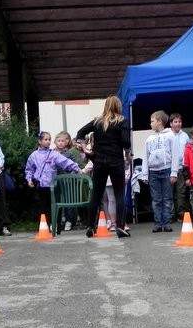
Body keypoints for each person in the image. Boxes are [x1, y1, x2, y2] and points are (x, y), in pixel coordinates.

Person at [76, 95, 132, 238]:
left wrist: (85, 148)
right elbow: (126, 142)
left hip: (99, 161)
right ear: (118, 106)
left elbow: (80, 132)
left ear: (106, 106)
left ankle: (90, 226)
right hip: (116, 161)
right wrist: (127, 154)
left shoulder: (97, 121)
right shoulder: (122, 121)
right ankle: (120, 226)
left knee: (96, 194)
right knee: (119, 194)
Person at [25, 131, 82, 228]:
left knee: (55, 205)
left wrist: (76, 168)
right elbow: (29, 169)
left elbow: (65, 161)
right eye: (45, 139)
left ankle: (56, 224)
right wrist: (29, 179)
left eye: (49, 139)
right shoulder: (34, 155)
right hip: (40, 185)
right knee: (43, 206)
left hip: (52, 184)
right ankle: (43, 225)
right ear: (40, 141)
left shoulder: (54, 154)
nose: (48, 141)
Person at [142, 110, 176, 232]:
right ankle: (158, 223)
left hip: (166, 170)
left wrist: (174, 172)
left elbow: (175, 154)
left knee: (167, 198)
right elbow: (145, 157)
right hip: (153, 172)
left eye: (152, 121)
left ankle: (167, 223)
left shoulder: (170, 136)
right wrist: (145, 174)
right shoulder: (149, 139)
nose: (150, 124)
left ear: (160, 122)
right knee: (156, 199)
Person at [53, 131, 84, 231]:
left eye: (63, 141)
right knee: (56, 201)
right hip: (56, 181)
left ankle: (69, 221)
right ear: (55, 142)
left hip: (67, 181)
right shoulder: (51, 153)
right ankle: (57, 221)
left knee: (68, 200)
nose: (61, 143)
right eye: (59, 141)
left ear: (66, 142)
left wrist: (71, 175)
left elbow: (75, 166)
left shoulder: (69, 154)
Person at [169, 113, 190, 220]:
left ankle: (181, 214)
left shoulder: (185, 135)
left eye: (180, 122)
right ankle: (170, 215)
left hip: (181, 167)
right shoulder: (167, 135)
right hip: (170, 168)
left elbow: (188, 151)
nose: (178, 124)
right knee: (169, 192)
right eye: (175, 122)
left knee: (181, 192)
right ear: (171, 124)